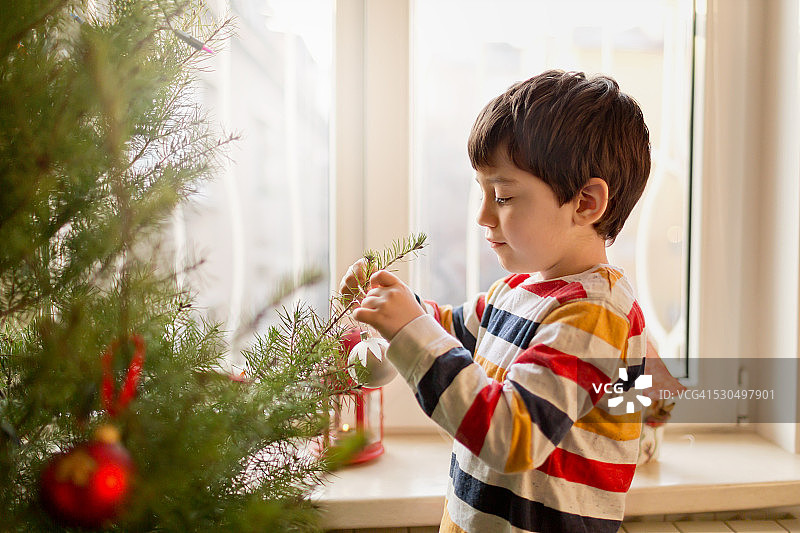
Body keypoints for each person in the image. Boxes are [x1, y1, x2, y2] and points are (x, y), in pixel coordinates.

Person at [341, 70, 652, 533]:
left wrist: (409, 331)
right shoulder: (519, 291)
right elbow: (448, 329)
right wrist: (391, 306)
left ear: (586, 202)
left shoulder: (597, 315)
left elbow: (510, 436)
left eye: (503, 195)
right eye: (482, 192)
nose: (483, 216)